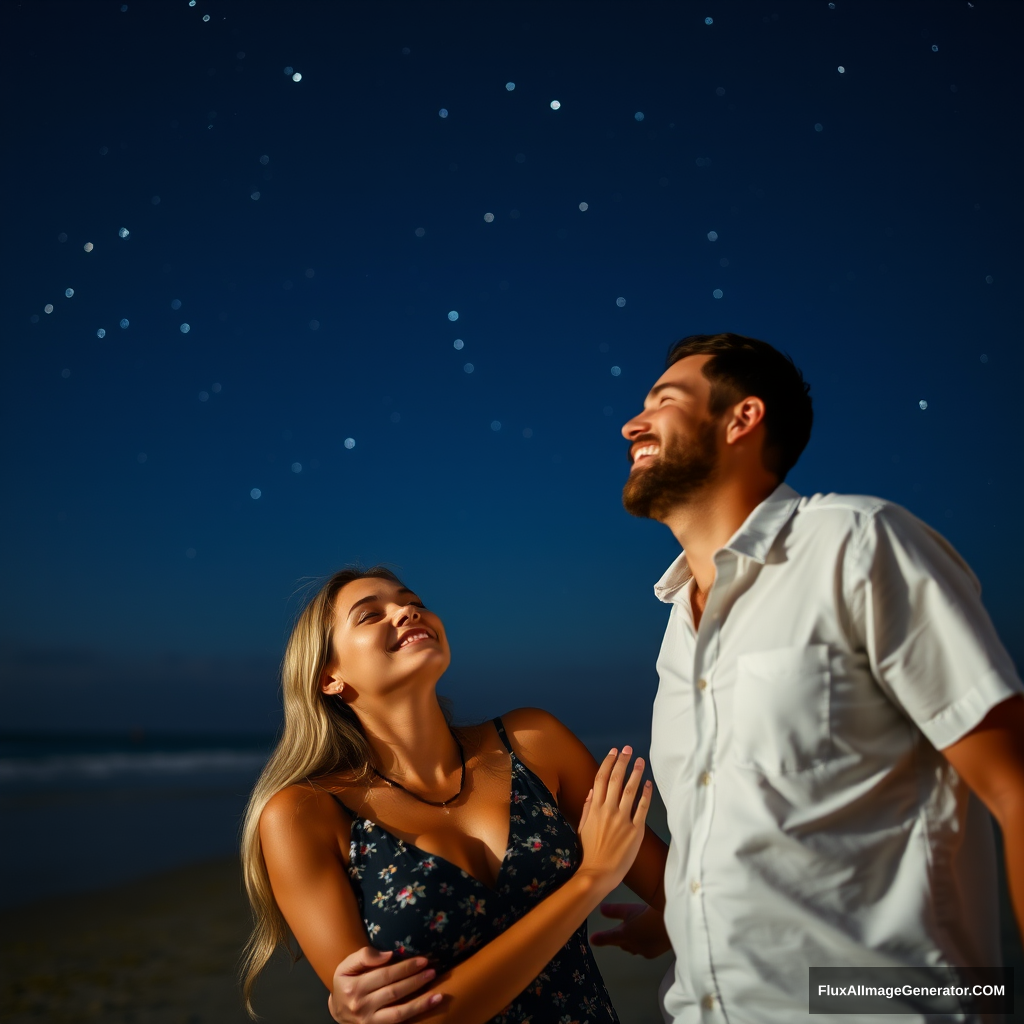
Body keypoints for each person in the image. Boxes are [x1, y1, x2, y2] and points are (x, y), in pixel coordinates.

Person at [613, 332, 1024, 1022]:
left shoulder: (858, 544)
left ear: (742, 419)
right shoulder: (677, 632)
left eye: (664, 400)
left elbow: (1013, 784)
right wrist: (688, 917)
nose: (632, 422)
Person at [239, 567, 670, 1023]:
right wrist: (592, 879)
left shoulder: (534, 742)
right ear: (329, 677)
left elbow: (688, 895)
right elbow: (415, 1019)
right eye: (369, 615)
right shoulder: (303, 814)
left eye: (414, 602)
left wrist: (668, 919)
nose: (407, 611)